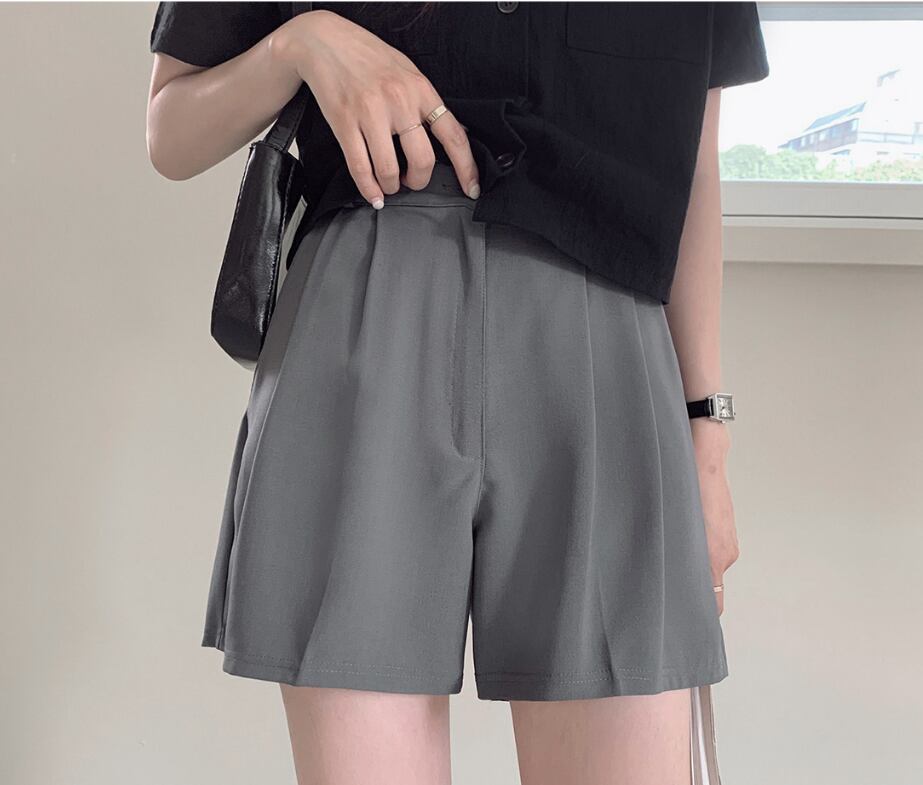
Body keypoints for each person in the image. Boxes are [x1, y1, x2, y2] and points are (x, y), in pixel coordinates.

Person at [146, 3, 769, 783]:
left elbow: (692, 162)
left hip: (603, 355)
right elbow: (170, 133)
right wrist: (300, 45)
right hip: (366, 330)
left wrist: (706, 434)